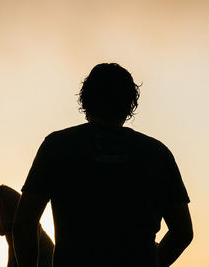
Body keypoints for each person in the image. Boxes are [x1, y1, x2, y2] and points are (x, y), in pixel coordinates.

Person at [13, 63, 193, 267]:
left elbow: (23, 224)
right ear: (130, 104)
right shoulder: (158, 153)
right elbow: (183, 232)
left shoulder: (58, 146)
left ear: (85, 100)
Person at [0, 167, 54, 267]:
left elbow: (28, 223)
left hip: (38, 248)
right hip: (20, 251)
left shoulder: (7, 195)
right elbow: (3, 233)